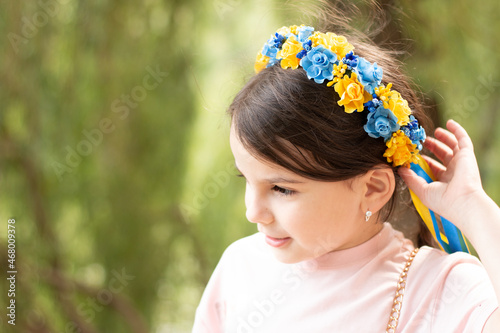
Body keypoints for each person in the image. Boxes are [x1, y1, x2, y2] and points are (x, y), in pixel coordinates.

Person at [192, 11, 500, 333]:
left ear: (372, 189)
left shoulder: (436, 292)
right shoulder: (240, 268)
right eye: (246, 179)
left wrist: (472, 207)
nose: (252, 213)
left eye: (282, 189)